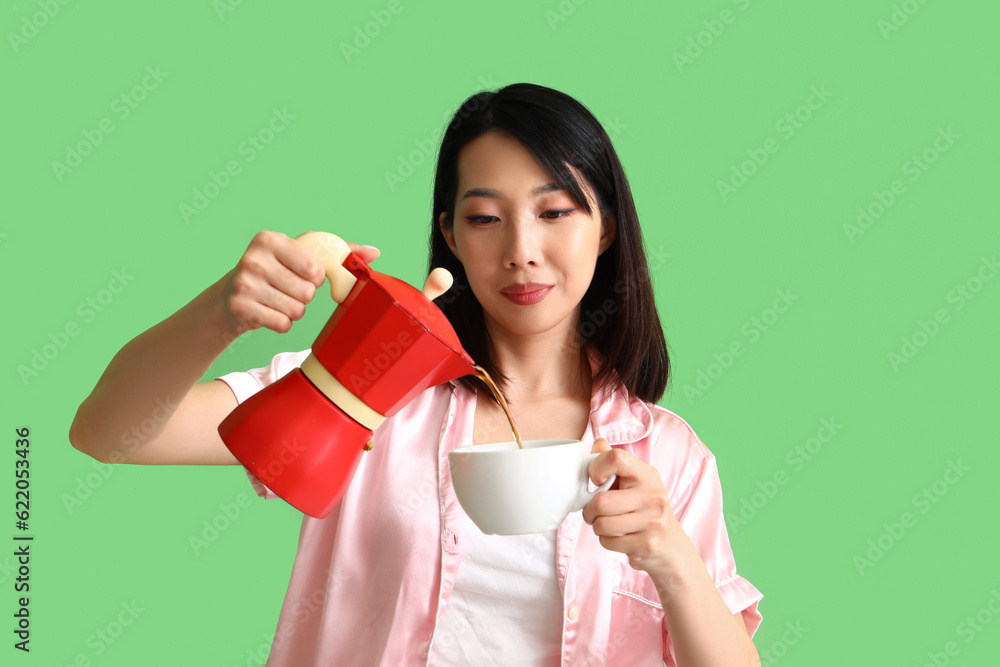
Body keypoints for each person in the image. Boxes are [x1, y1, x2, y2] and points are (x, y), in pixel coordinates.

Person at [70, 82, 763, 665]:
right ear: (453, 237)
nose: (522, 250)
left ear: (605, 227)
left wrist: (672, 556)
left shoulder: (668, 455)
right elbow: (109, 434)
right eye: (486, 217)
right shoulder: (370, 388)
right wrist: (220, 314)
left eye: (555, 212)